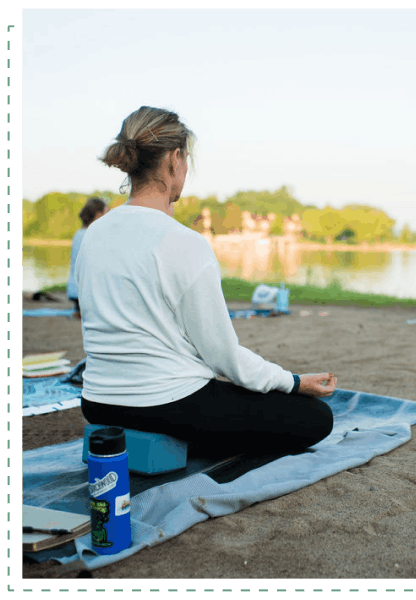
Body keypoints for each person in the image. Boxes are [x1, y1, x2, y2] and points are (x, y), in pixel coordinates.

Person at [75, 106, 336, 458]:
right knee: (315, 417)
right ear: (174, 159)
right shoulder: (184, 242)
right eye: (186, 159)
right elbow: (223, 356)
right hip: (163, 405)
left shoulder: (94, 233)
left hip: (97, 404)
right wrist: (291, 382)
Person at [66, 197, 109, 319]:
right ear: (98, 215)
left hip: (73, 290)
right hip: (85, 292)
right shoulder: (94, 234)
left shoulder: (78, 233)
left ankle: (79, 309)